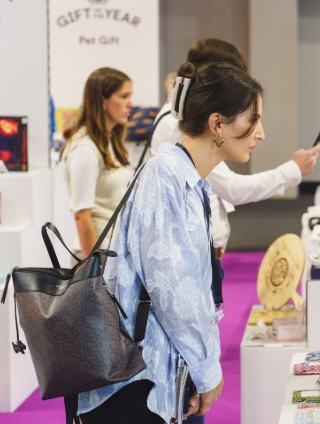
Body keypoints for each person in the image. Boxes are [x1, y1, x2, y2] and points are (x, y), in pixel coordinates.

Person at [77, 61, 264, 423]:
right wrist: (208, 370)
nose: (260, 133)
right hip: (136, 382)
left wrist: (200, 367)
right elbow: (172, 287)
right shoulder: (166, 175)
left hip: (162, 373)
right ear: (217, 125)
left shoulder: (185, 176)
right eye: (252, 119)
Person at [152, 38, 320, 264]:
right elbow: (232, 188)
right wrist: (292, 171)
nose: (260, 134)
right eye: (252, 118)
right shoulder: (177, 133)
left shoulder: (180, 135)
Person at [60, 67, 134, 263]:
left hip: (113, 253)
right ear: (102, 101)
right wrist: (92, 268)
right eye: (124, 96)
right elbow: (82, 216)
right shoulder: (84, 149)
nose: (130, 104)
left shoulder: (106, 141)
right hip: (99, 256)